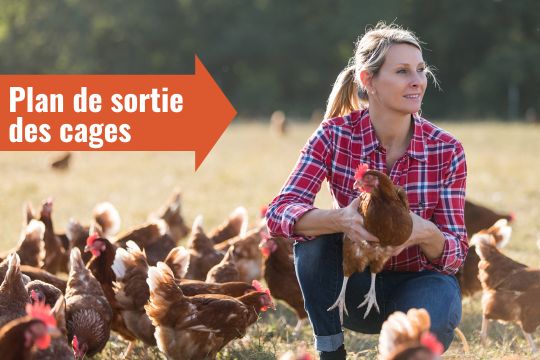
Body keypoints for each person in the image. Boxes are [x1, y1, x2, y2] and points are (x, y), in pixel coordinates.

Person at [265, 23, 467, 360]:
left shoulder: (446, 149)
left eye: (420, 70)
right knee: (313, 246)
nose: (417, 80)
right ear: (367, 80)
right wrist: (340, 220)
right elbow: (279, 212)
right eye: (402, 71)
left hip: (418, 282)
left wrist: (425, 232)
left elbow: (456, 253)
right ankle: (331, 351)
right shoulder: (334, 135)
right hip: (350, 284)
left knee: (440, 303)